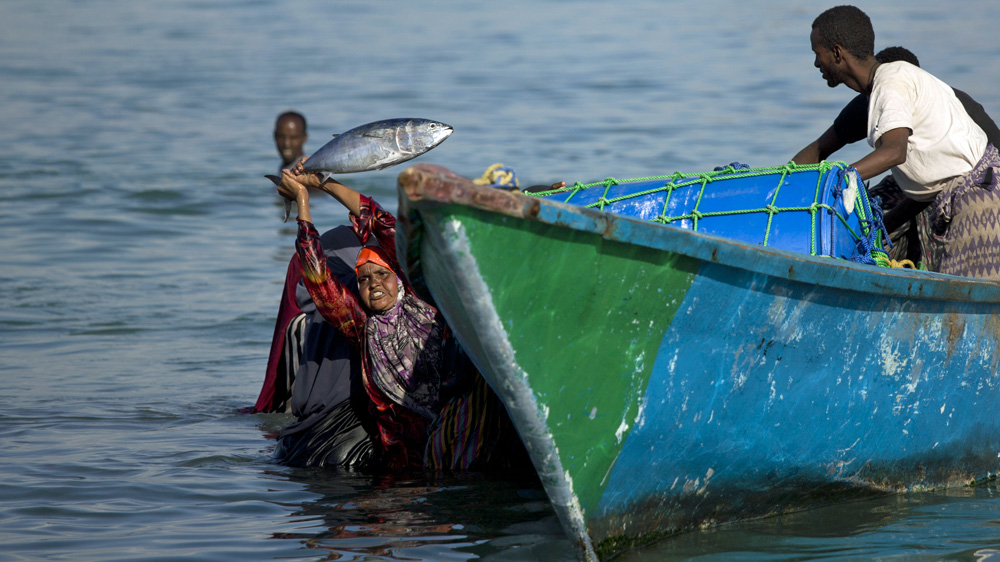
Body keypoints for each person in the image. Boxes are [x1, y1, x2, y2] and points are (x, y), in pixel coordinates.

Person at [274, 164, 529, 474]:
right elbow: (317, 277)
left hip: (456, 438)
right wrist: (302, 201)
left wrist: (326, 184)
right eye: (364, 279)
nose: (374, 284)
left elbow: (382, 222)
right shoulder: (362, 328)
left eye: (382, 274)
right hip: (405, 464)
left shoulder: (427, 303)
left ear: (399, 277)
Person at [804, 5, 1000, 279]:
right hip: (961, 196)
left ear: (836, 53)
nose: (816, 63)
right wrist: (884, 228)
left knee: (959, 306)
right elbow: (930, 184)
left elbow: (895, 151)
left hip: (978, 201)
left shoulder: (891, 82)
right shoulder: (880, 91)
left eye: (817, 54)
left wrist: (841, 179)